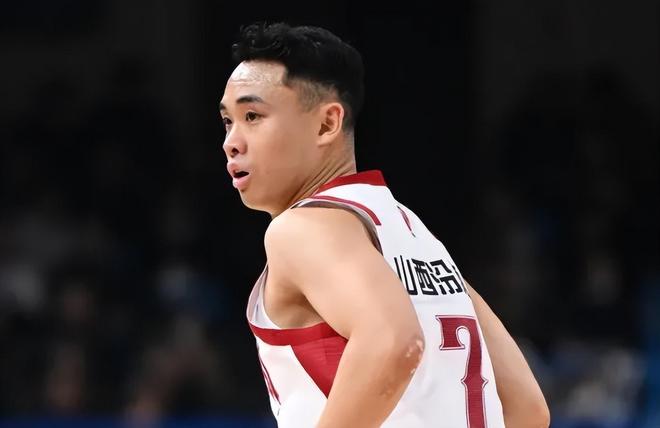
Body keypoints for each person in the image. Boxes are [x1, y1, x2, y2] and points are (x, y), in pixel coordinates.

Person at [219, 21, 550, 428]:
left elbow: (393, 342)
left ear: (327, 124)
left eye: (253, 116)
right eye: (228, 121)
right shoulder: (414, 233)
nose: (231, 142)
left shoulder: (300, 229)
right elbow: (528, 408)